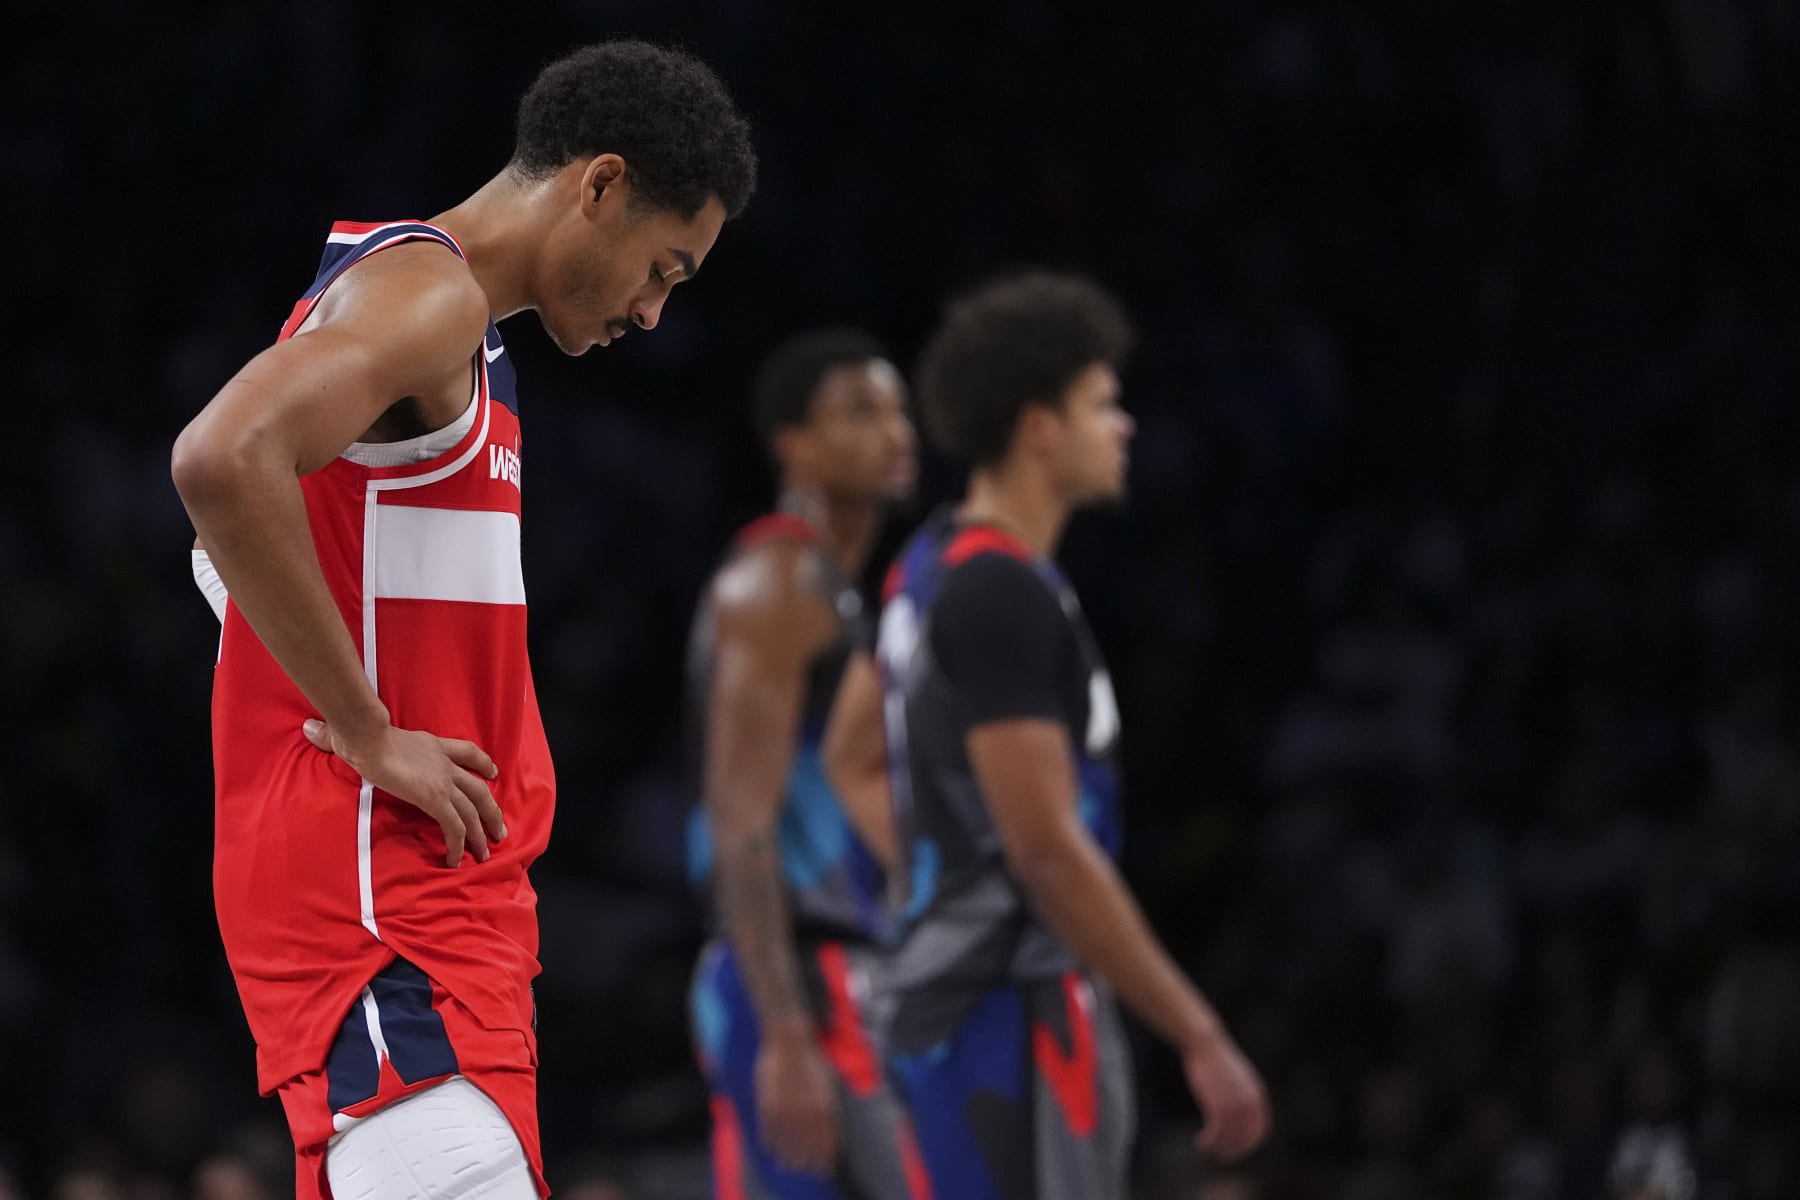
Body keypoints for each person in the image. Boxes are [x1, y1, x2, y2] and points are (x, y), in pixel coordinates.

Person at [170, 40, 756, 1200]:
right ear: (599, 184)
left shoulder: (453, 325)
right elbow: (221, 460)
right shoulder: (429, 298)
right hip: (386, 921)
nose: (652, 311)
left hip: (439, 924)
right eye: (663, 268)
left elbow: (225, 562)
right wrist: (365, 727)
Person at [824, 270, 1270, 1199]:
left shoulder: (928, 563)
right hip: (1011, 1010)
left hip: (958, 1001)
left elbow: (850, 760)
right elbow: (1047, 850)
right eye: (1102, 404)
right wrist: (1199, 1032)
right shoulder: (1001, 590)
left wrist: (946, 885)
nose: (1125, 427)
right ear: (1039, 429)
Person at [684, 328, 929, 1199]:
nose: (895, 432)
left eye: (899, 410)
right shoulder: (779, 581)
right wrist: (785, 1033)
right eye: (860, 412)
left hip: (843, 971)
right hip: (794, 979)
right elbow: (740, 820)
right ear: (795, 445)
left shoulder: (840, 591)